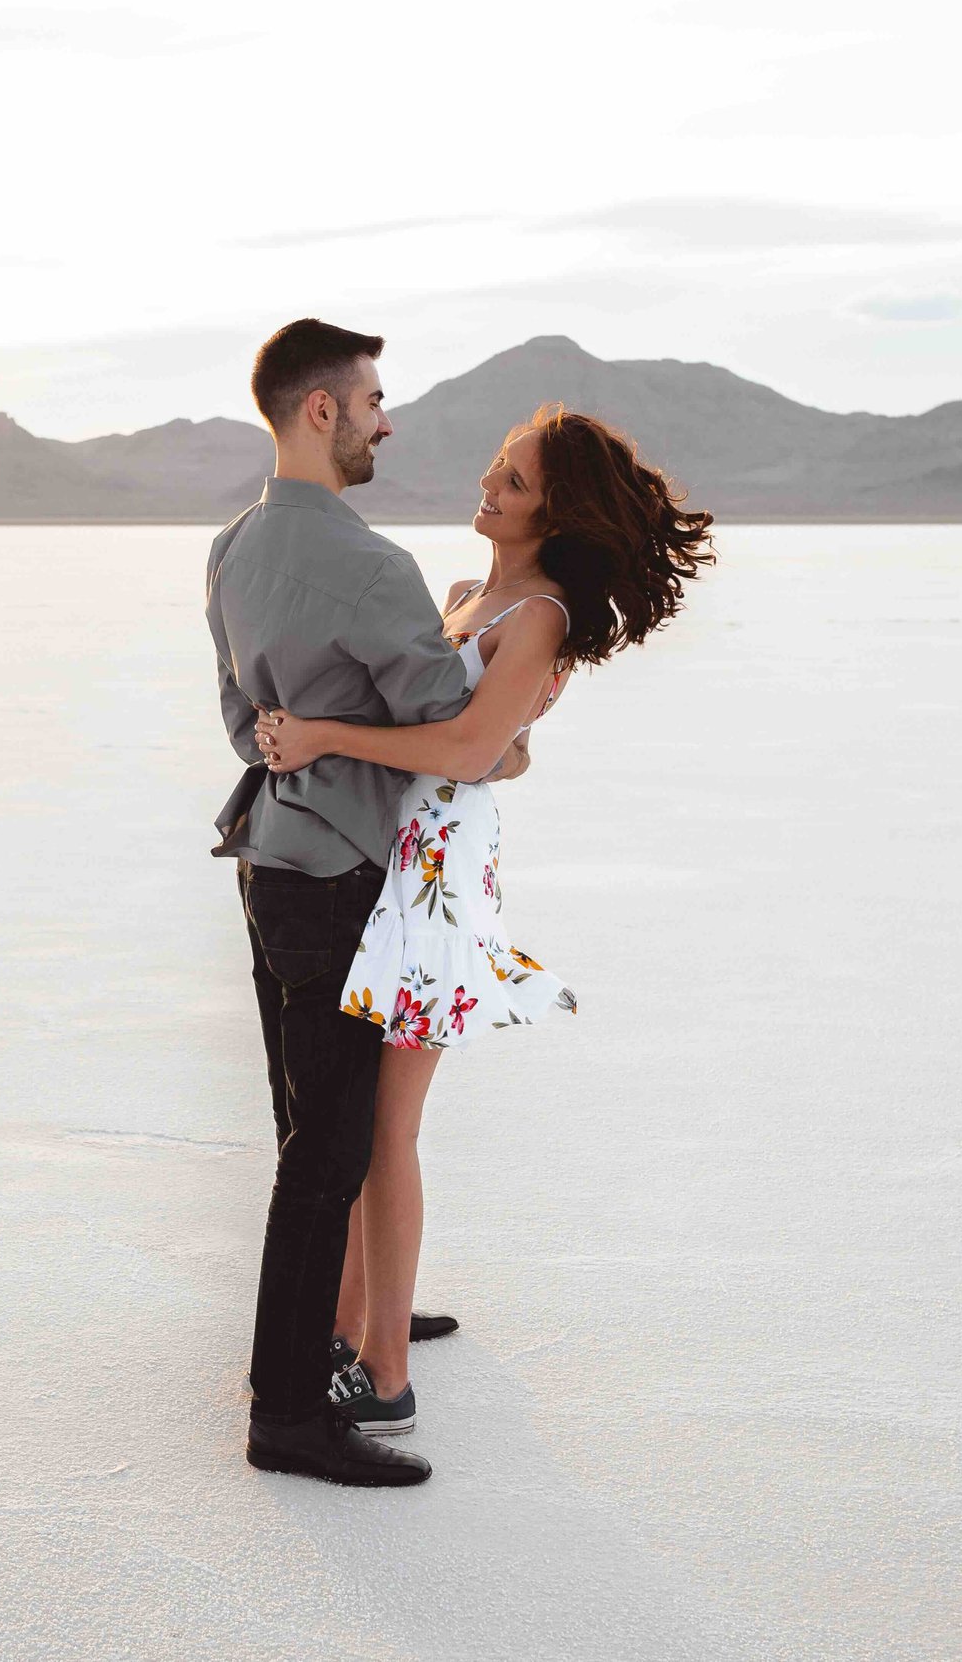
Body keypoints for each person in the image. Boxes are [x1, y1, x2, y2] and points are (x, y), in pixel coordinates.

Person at [255, 402, 717, 1438]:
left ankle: (383, 1372)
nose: (488, 484)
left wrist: (322, 732)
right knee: (356, 1119)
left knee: (383, 1127)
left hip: (432, 876)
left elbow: (466, 751)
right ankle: (354, 1310)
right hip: (388, 857)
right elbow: (477, 739)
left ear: (554, 510)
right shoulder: (469, 595)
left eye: (511, 479)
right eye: (498, 467)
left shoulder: (539, 613)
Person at [207, 319, 529, 1488]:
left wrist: (319, 743)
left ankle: (347, 1331)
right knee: (326, 1153)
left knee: (319, 1141)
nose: (387, 420)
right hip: (340, 876)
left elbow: (250, 727)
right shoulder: (371, 565)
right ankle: (286, 1410)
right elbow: (466, 740)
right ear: (321, 411)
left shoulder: (232, 548)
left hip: (270, 863)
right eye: (374, 399)